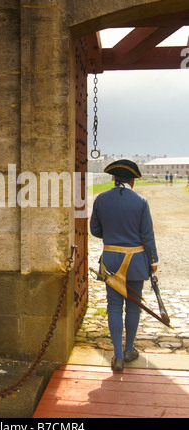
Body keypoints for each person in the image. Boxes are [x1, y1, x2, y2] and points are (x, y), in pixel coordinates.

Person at [90, 159, 158, 371]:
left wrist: (110, 235)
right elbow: (147, 235)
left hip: (111, 259)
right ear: (132, 181)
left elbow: (94, 230)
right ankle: (129, 349)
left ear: (114, 179)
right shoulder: (141, 201)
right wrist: (153, 259)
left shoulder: (101, 199)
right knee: (134, 307)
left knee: (114, 306)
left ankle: (117, 356)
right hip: (136, 260)